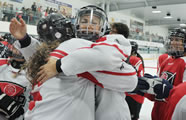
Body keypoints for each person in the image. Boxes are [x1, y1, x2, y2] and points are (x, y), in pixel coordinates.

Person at [9, 11, 137, 120]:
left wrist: (62, 66)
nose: (88, 25)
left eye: (93, 22)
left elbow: (128, 80)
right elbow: (130, 80)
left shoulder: (72, 51)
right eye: (84, 20)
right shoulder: (76, 46)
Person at [135, 29, 186, 120]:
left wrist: (168, 91)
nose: (173, 42)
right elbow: (158, 94)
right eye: (172, 39)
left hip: (173, 114)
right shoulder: (166, 60)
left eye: (177, 40)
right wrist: (148, 89)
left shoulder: (184, 63)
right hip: (157, 114)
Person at [110, 22, 145, 120]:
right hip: (131, 95)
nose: (109, 34)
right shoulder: (136, 59)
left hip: (131, 96)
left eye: (112, 32)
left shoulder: (132, 59)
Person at [0, 35, 31, 120]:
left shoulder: (35, 73)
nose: (14, 48)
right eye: (13, 45)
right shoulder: (2, 66)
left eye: (19, 46)